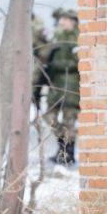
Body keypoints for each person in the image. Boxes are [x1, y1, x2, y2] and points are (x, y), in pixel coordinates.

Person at [43, 10, 80, 165]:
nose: (61, 22)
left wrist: (57, 65)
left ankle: (67, 153)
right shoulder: (57, 36)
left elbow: (79, 63)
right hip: (56, 86)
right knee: (49, 117)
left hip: (71, 87)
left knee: (69, 121)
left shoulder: (78, 37)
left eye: (64, 20)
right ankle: (62, 147)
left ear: (72, 21)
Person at [31, 13, 54, 107]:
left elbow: (45, 36)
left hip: (41, 57)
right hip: (39, 56)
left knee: (35, 81)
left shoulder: (37, 26)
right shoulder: (36, 25)